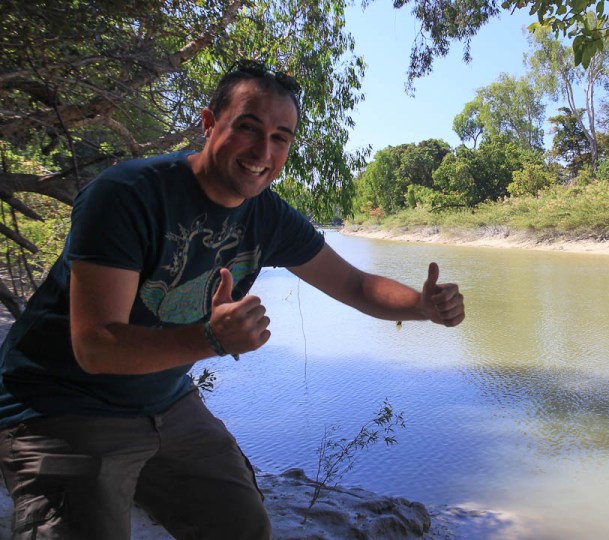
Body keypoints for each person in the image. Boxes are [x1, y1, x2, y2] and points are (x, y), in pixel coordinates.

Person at [0, 60, 465, 539]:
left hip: (164, 399)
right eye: (248, 127)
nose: (264, 150)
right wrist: (211, 338)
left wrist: (420, 306)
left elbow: (353, 285)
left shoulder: (266, 215)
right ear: (208, 123)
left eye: (281, 137)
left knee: (241, 527)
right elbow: (95, 346)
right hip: (60, 402)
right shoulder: (127, 195)